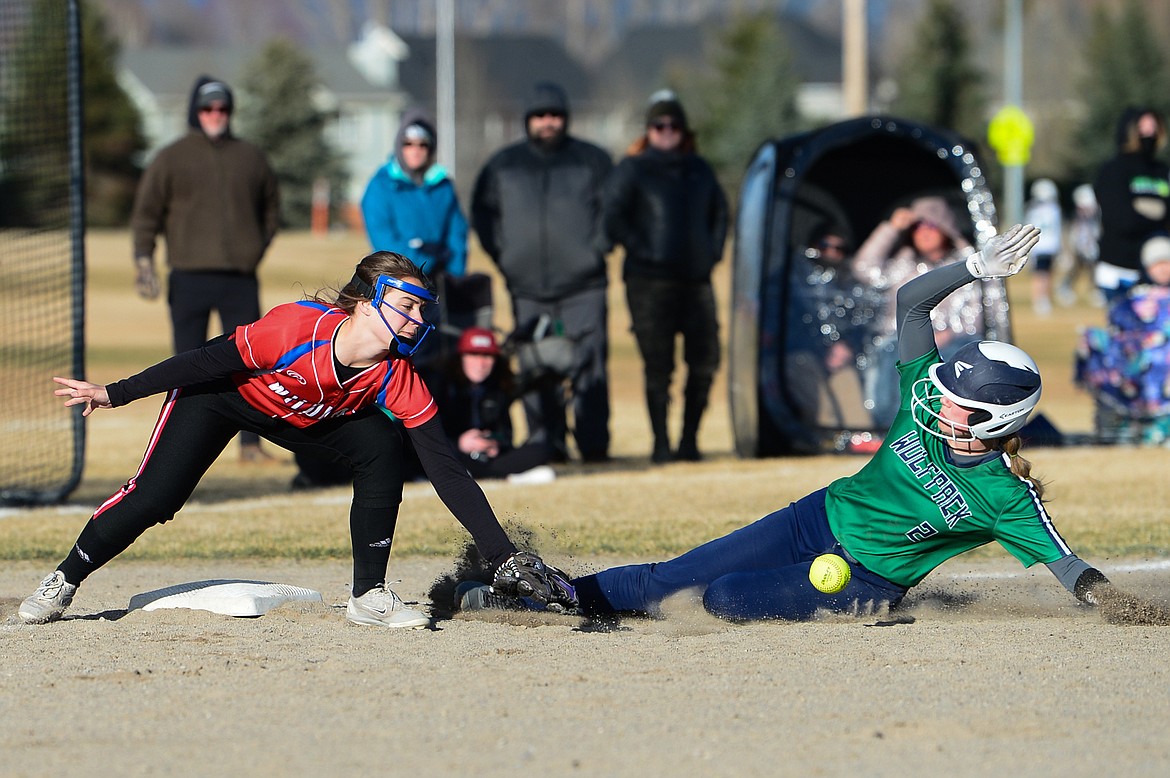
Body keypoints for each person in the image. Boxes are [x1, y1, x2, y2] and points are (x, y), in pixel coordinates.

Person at [462, 224, 1137, 625]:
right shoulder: (920, 402)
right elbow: (909, 304)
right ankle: (545, 599)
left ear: (994, 422)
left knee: (723, 600)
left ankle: (881, 621)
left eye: (960, 399)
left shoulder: (1007, 495)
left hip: (865, 581)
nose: (938, 397)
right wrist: (975, 268)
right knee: (673, 577)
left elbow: (1074, 570)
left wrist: (1133, 610)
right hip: (816, 517)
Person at [18, 252, 568, 628]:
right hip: (221, 396)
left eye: (423, 309)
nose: (417, 318)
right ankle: (65, 578)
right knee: (155, 498)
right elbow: (205, 360)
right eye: (408, 304)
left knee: (381, 444)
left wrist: (501, 555)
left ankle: (368, 595)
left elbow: (447, 469)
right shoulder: (295, 329)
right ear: (365, 301)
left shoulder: (396, 375)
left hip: (303, 416)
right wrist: (116, 392)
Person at [130, 76, 281, 464]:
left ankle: (251, 445)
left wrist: (253, 251)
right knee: (185, 366)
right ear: (196, 113)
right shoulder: (172, 157)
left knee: (250, 363)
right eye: (208, 108)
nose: (216, 115)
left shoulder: (251, 157)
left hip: (239, 279)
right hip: (189, 277)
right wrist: (143, 260)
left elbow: (271, 211)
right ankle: (177, 451)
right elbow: (146, 213)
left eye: (223, 108)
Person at [470, 81, 614, 463]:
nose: (547, 122)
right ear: (527, 120)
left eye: (554, 115)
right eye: (539, 116)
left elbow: (615, 210)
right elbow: (483, 215)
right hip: (527, 286)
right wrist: (506, 256)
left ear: (565, 119)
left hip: (584, 285)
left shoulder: (593, 160)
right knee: (533, 367)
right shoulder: (503, 165)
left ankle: (594, 443)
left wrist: (597, 248)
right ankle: (545, 442)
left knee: (589, 363)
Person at [601, 90, 728, 463]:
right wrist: (641, 248)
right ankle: (660, 444)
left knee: (705, 361)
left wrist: (712, 252)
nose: (667, 131)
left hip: (696, 281)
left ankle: (689, 441)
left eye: (674, 125)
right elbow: (613, 217)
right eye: (659, 125)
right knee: (659, 366)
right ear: (649, 130)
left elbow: (720, 213)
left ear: (683, 129)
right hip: (648, 283)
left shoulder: (699, 169)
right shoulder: (633, 169)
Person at [853, 196, 982, 428]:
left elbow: (979, 315)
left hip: (951, 345)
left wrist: (947, 335)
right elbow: (864, 269)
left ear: (945, 229)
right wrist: (891, 228)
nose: (923, 232)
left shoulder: (965, 267)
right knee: (891, 356)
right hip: (897, 346)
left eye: (930, 225)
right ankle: (891, 428)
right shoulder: (902, 265)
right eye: (916, 227)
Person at [360, 108, 469, 367]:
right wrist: (424, 260)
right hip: (399, 287)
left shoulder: (442, 184)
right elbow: (385, 240)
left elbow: (458, 231)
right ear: (400, 145)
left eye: (423, 143)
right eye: (408, 143)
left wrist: (454, 269)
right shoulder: (382, 185)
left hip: (441, 286)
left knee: (443, 354)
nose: (416, 149)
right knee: (403, 355)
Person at [780, 223, 876, 454]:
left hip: (841, 356)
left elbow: (862, 322)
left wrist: (846, 347)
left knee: (846, 378)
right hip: (804, 353)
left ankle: (861, 435)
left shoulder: (851, 284)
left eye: (839, 248)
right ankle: (828, 436)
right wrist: (822, 350)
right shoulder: (795, 281)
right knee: (803, 369)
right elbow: (795, 323)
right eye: (824, 246)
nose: (831, 253)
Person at [1076, 234, 1170, 445]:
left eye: (1167, 263)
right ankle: (1121, 426)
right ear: (1147, 266)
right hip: (1135, 359)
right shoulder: (1130, 300)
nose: (1163, 269)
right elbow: (1119, 330)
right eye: (1157, 263)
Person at [432, 326, 557, 484]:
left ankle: (484, 474)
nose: (481, 363)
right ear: (460, 357)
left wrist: (492, 443)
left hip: (486, 457)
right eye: (473, 355)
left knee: (541, 450)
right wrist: (459, 444)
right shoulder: (441, 386)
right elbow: (425, 435)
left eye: (487, 356)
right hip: (449, 454)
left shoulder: (498, 389)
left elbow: (505, 433)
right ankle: (502, 476)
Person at [1093, 107, 1170, 305]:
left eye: (1154, 127)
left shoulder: (1162, 171)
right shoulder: (1113, 170)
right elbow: (1120, 218)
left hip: (1155, 270)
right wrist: (1157, 217)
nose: (1149, 133)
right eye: (1143, 128)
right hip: (1119, 269)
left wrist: (1144, 211)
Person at [1056, 183, 1102, 307]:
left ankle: (1095, 291)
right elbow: (1072, 231)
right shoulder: (1077, 215)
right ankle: (1065, 289)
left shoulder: (1097, 214)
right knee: (1074, 269)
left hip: (1092, 246)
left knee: (1094, 270)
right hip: (1078, 246)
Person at [1023, 178, 1062, 316]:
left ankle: (1040, 300)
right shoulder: (1054, 209)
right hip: (1049, 246)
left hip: (1039, 246)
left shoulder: (1033, 209)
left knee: (1039, 274)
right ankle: (1043, 299)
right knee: (1045, 274)